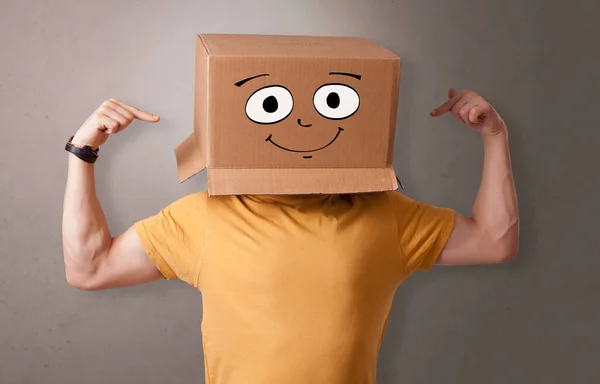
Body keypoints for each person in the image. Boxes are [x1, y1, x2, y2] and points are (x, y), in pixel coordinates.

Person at [62, 88, 519, 383]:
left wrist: (494, 135)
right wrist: (82, 152)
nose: (301, 125)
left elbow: (495, 241)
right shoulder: (203, 217)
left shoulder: (386, 216)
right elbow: (90, 268)